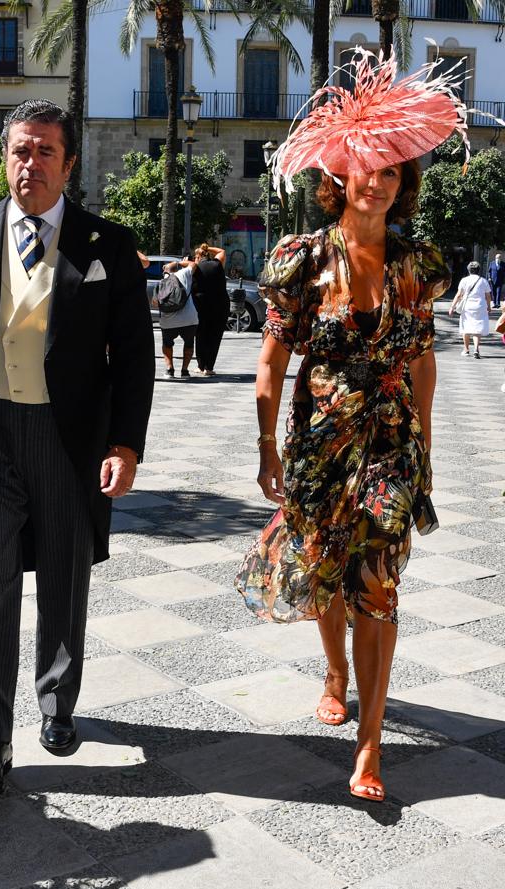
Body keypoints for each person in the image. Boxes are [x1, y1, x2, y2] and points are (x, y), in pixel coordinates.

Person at [0, 100, 155, 799]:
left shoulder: (107, 243)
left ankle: (57, 700)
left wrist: (125, 444)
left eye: (46, 150)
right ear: (5, 158)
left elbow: (134, 358)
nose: (31, 163)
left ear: (69, 162)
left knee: (64, 572)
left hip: (67, 436)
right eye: (21, 150)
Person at [235, 47, 458, 804]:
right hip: (320, 444)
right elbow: (270, 364)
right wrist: (267, 446)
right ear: (338, 178)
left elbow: (423, 359)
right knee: (327, 574)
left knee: (380, 585)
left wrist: (423, 443)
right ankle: (333, 670)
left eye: (392, 170)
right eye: (365, 167)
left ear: (403, 182)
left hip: (392, 443)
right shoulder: (301, 261)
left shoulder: (419, 262)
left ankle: (370, 744)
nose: (377, 180)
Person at [192, 242, 230, 376]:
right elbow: (222, 252)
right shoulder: (217, 264)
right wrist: (206, 248)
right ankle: (209, 367)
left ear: (197, 257)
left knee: (201, 334)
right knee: (215, 336)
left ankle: (200, 366)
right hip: (220, 305)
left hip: (201, 305)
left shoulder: (195, 267)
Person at [158, 259, 198, 378]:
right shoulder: (184, 273)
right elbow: (193, 264)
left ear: (165, 270)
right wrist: (179, 262)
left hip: (168, 321)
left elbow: (156, 301)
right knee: (189, 343)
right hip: (189, 319)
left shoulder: (163, 280)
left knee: (167, 344)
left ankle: (170, 369)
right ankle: (185, 371)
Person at [449, 261, 491, 358]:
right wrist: (488, 306)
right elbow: (488, 296)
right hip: (480, 306)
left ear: (468, 270)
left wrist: (452, 307)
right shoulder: (483, 281)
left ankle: (466, 349)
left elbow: (459, 294)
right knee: (477, 328)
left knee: (466, 327)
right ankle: (476, 349)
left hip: (467, 306)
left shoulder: (464, 280)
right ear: (478, 270)